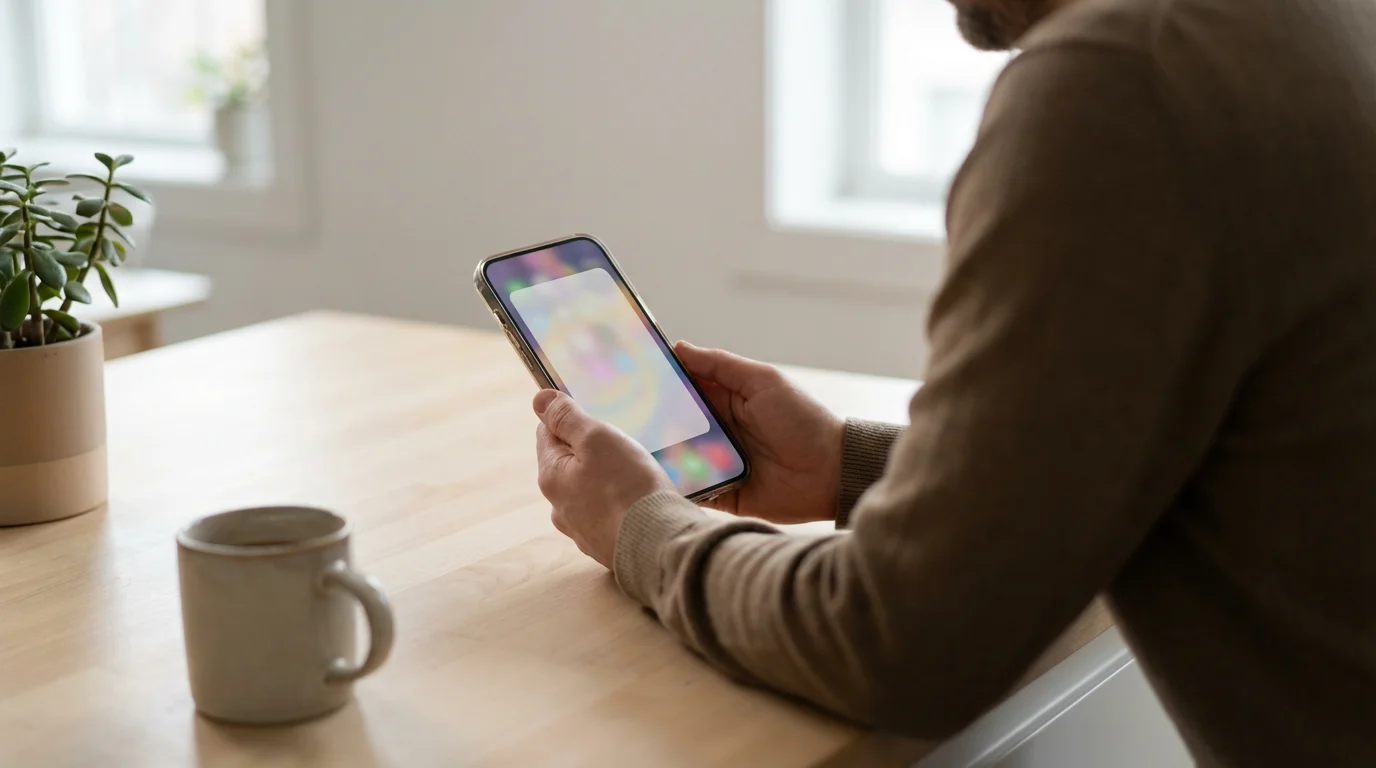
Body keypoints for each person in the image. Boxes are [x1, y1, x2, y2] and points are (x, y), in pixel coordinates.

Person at [531, 0, 1376, 764]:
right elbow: (1209, 445)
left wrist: (639, 528)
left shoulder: (1121, 81)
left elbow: (896, 646)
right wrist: (848, 465)